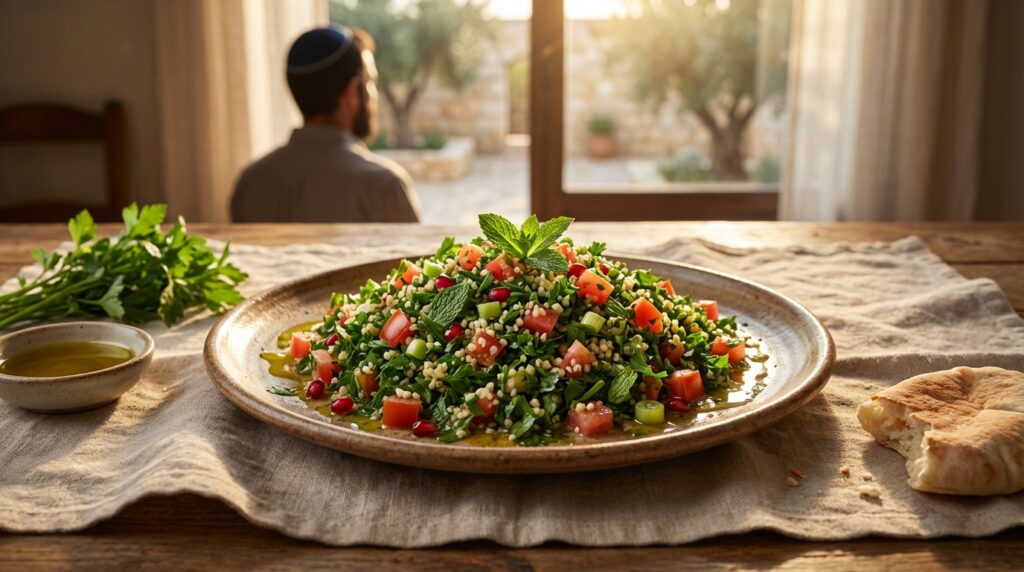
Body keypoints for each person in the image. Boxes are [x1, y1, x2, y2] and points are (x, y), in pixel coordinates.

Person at [231, 25, 420, 222]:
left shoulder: (251, 183)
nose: (374, 94)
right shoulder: (384, 186)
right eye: (371, 81)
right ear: (351, 92)